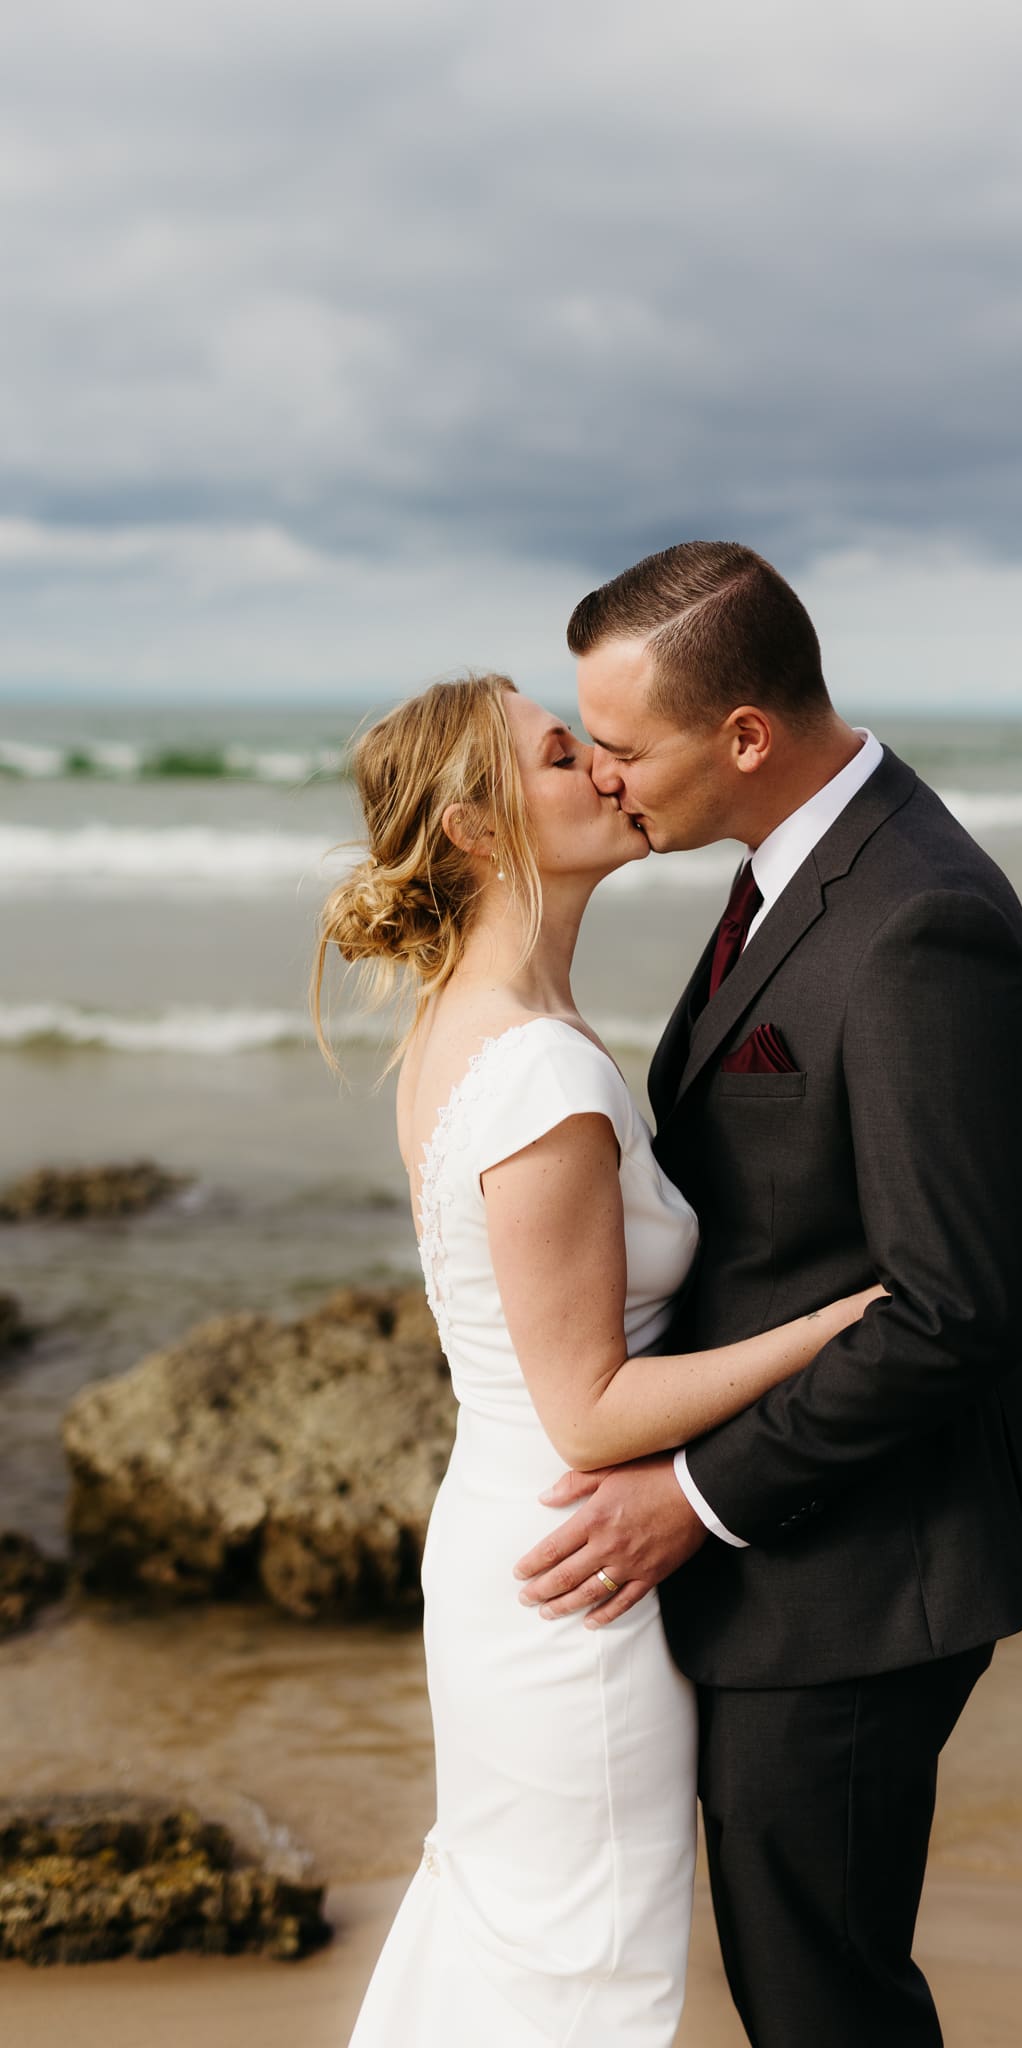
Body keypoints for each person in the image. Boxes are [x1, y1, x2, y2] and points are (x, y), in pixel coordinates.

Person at [513, 541, 1022, 2047]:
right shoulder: (794, 866)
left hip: (857, 1575)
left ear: (743, 736)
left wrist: (691, 1496)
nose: (607, 777)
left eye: (623, 747)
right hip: (801, 1560)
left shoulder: (915, 921)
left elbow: (952, 1308)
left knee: (822, 2000)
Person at [311, 672, 883, 2046]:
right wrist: (836, 1323)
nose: (611, 771)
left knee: (522, 1946)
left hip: (515, 1552)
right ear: (477, 832)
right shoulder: (538, 1077)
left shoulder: (476, 1025)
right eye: (565, 757)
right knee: (585, 1982)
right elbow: (590, 1408)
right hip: (576, 1576)